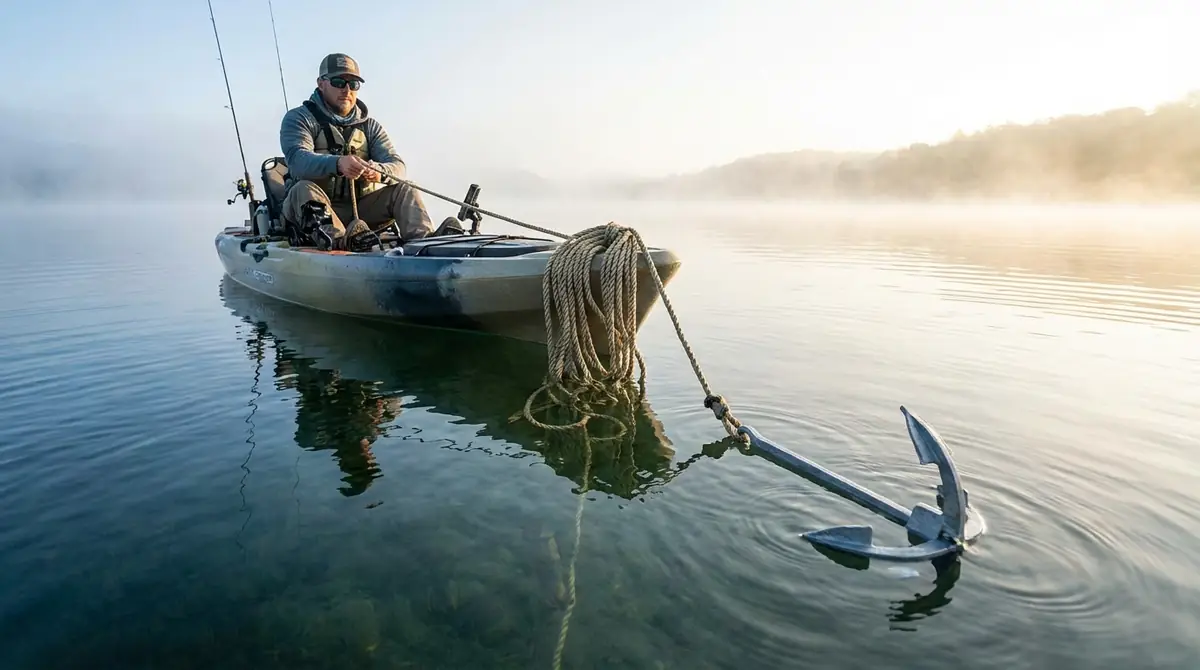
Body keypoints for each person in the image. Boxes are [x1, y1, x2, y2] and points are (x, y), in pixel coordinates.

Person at [279, 53, 458, 248]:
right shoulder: (299, 118)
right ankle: (340, 242)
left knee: (405, 188)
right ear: (321, 84)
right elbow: (298, 161)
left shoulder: (371, 127)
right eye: (339, 82)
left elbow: (398, 166)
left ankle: (425, 244)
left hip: (362, 211)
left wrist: (379, 171)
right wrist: (338, 164)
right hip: (314, 210)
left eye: (353, 84)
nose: (347, 90)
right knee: (302, 189)